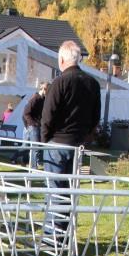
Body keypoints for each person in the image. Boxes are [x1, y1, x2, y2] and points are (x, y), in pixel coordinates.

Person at [41, 41, 101, 177]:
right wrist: (87, 137)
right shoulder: (93, 84)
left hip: (57, 142)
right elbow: (96, 116)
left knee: (54, 190)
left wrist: (45, 140)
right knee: (71, 190)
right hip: (78, 143)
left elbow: (47, 115)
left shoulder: (59, 82)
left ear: (61, 60)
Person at [13, 82, 49, 168]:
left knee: (25, 146)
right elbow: (25, 113)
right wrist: (32, 124)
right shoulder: (35, 98)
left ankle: (13, 158)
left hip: (33, 126)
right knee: (35, 147)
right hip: (33, 126)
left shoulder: (43, 99)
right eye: (48, 90)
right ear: (44, 89)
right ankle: (33, 168)